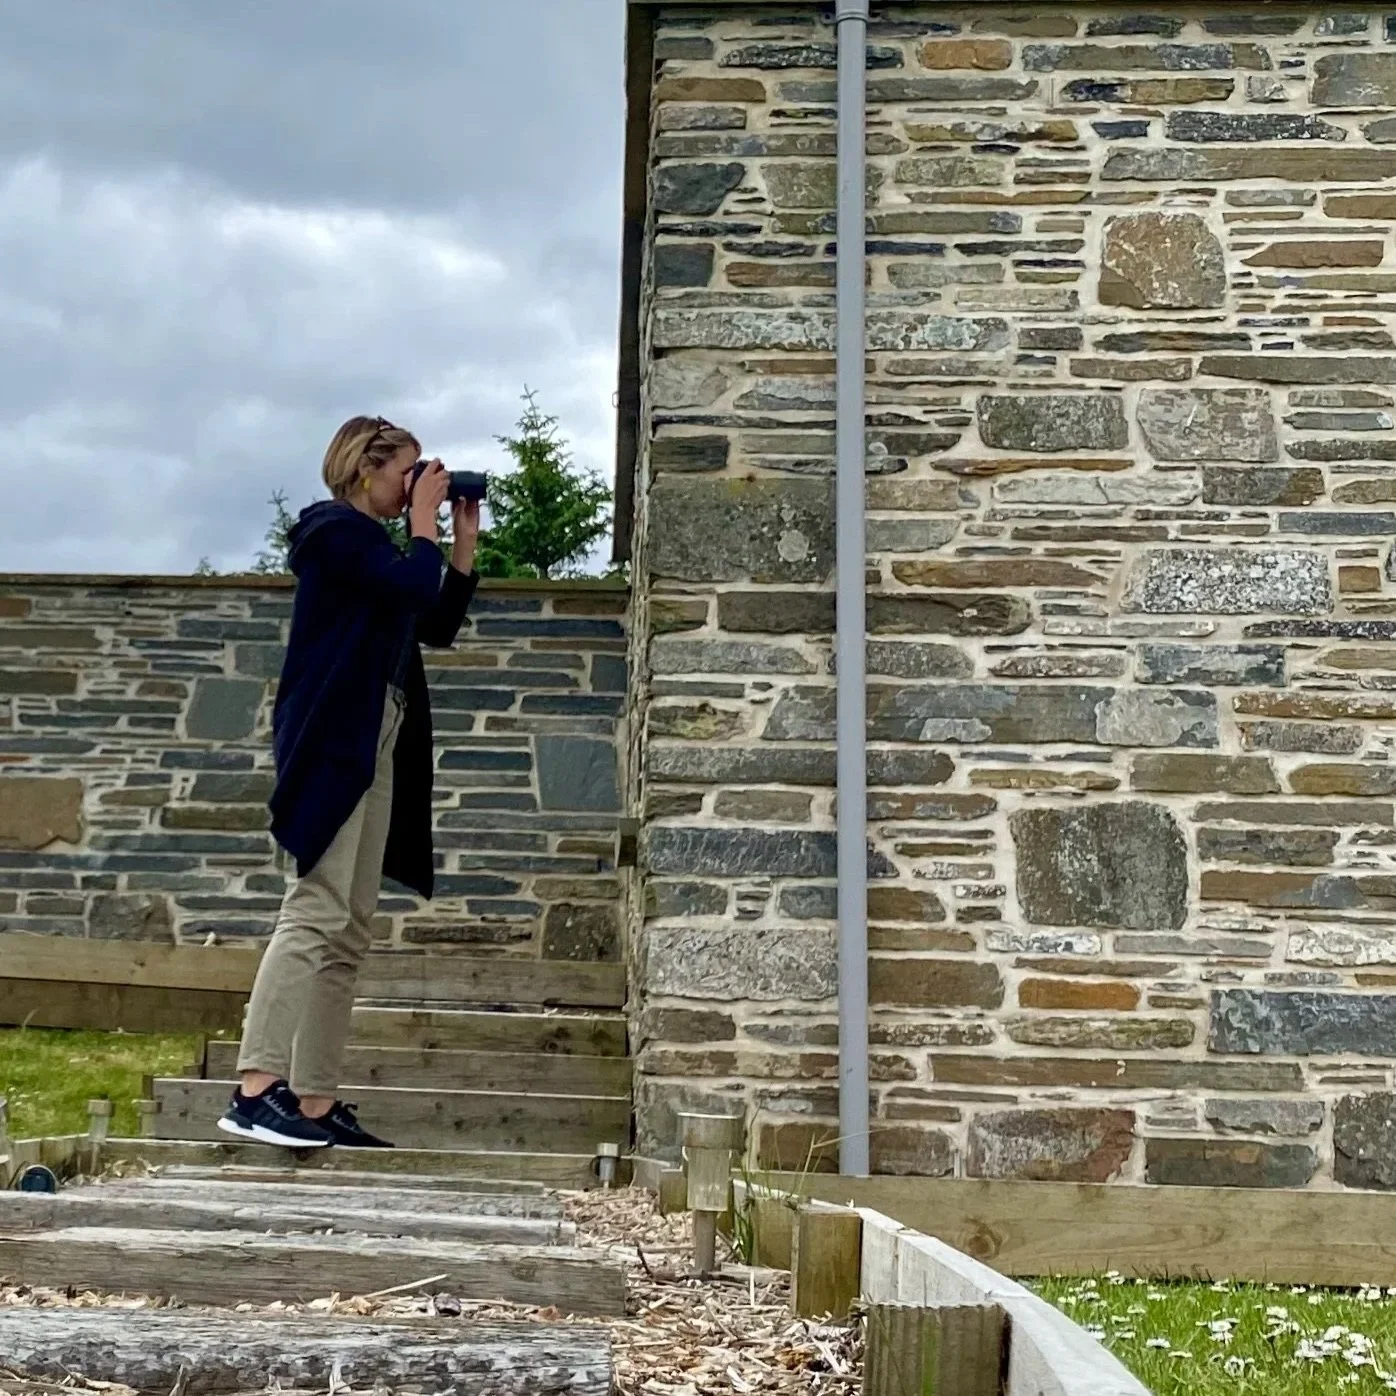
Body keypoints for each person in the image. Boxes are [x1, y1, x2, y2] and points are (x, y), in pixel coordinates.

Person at [219, 415, 480, 1149]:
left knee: (350, 926)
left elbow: (434, 621)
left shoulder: (378, 552)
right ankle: (254, 1088)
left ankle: (313, 1099)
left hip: (378, 735)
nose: (415, 484)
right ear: (367, 467)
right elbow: (408, 580)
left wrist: (459, 541)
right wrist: (423, 525)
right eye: (407, 471)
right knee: (316, 908)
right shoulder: (332, 533)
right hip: (336, 738)